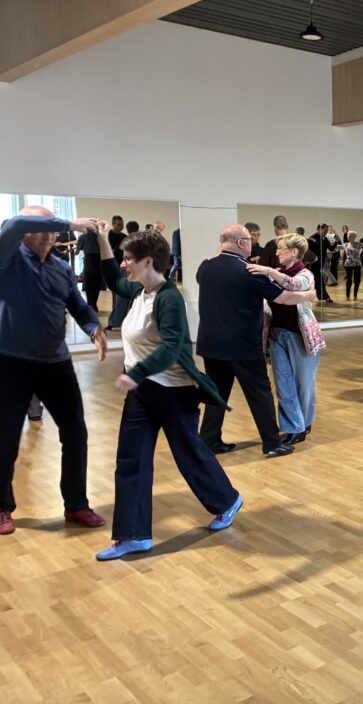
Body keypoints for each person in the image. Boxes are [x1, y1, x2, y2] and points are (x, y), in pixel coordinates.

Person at [95, 222, 242, 560]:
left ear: (148, 261)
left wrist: (136, 374)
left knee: (190, 455)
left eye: (128, 259)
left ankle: (228, 500)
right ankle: (133, 535)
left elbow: (173, 346)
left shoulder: (169, 298)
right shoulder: (139, 292)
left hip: (173, 392)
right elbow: (112, 280)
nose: (124, 264)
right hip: (142, 392)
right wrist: (102, 239)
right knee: (130, 460)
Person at [0, 209, 108, 536]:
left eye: (52, 228)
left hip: (55, 363)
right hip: (11, 362)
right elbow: (14, 224)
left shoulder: (62, 268)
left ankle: (76, 504)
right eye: (40, 228)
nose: (48, 234)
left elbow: (77, 305)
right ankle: (2, 507)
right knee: (5, 438)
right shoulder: (7, 259)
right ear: (26, 232)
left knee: (75, 433)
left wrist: (93, 328)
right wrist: (70, 223)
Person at [196, 224, 315, 459]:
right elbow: (284, 298)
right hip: (242, 345)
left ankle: (209, 440)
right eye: (250, 240)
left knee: (216, 393)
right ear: (241, 243)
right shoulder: (250, 271)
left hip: (211, 344)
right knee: (259, 394)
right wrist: (309, 295)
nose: (253, 244)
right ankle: (271, 443)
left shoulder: (205, 267)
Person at [247, 234, 325, 446]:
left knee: (303, 385)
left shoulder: (305, 274)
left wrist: (268, 271)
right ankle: (293, 427)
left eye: (281, 248)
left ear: (294, 252)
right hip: (277, 336)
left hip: (300, 337)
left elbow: (294, 285)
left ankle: (304, 425)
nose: (277, 252)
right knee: (283, 385)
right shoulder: (277, 274)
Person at [76, 227, 105, 310]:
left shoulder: (82, 237)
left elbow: (77, 252)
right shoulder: (100, 237)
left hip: (88, 260)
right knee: (96, 283)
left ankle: (90, 304)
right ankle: (94, 303)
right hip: (99, 260)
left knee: (89, 283)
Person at [307, 223, 334, 303]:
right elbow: (309, 252)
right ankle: (324, 297)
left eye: (327, 230)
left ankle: (322, 297)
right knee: (317, 281)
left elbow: (331, 248)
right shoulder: (312, 239)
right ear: (319, 229)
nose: (326, 232)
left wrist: (335, 241)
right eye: (325, 230)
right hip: (312, 264)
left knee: (317, 281)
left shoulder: (324, 239)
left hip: (319, 264)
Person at [343, 231, 363, 300]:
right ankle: (347, 296)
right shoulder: (346, 245)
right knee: (349, 280)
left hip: (357, 264)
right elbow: (336, 247)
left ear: (354, 237)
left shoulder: (358, 244)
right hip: (348, 264)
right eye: (349, 236)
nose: (349, 238)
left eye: (351, 236)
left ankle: (355, 295)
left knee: (357, 280)